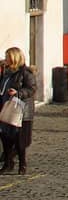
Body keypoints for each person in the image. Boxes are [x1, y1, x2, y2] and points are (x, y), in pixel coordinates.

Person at [0, 47, 37, 176]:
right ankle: (8, 163)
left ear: (14, 58)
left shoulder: (25, 73)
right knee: (5, 136)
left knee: (19, 139)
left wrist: (18, 93)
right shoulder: (6, 72)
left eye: (7, 56)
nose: (5, 59)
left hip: (21, 110)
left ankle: (22, 164)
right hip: (6, 107)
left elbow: (31, 89)